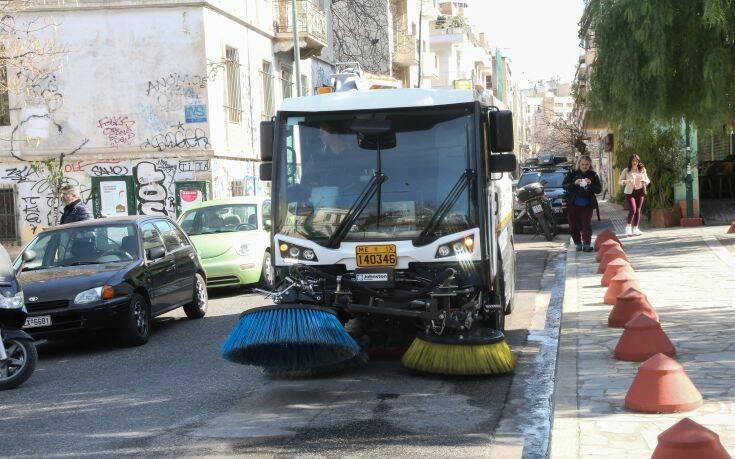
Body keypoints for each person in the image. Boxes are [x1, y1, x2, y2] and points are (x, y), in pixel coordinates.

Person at [563, 155, 602, 252]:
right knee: (573, 225)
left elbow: (598, 190)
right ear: (579, 164)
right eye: (582, 164)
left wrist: (591, 184)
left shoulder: (593, 175)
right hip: (573, 204)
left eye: (587, 164)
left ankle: (587, 244)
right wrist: (574, 183)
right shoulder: (572, 173)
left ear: (590, 165)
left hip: (587, 204)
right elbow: (564, 186)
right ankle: (578, 244)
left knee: (586, 224)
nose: (584, 166)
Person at [619, 154, 650, 236]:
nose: (635, 162)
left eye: (636, 160)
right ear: (630, 161)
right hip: (630, 192)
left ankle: (636, 228)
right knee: (633, 209)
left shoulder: (642, 169)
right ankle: (628, 228)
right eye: (633, 160)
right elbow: (620, 181)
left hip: (640, 191)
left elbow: (647, 180)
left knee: (638, 210)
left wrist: (645, 182)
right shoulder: (626, 170)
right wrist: (627, 181)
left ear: (638, 161)